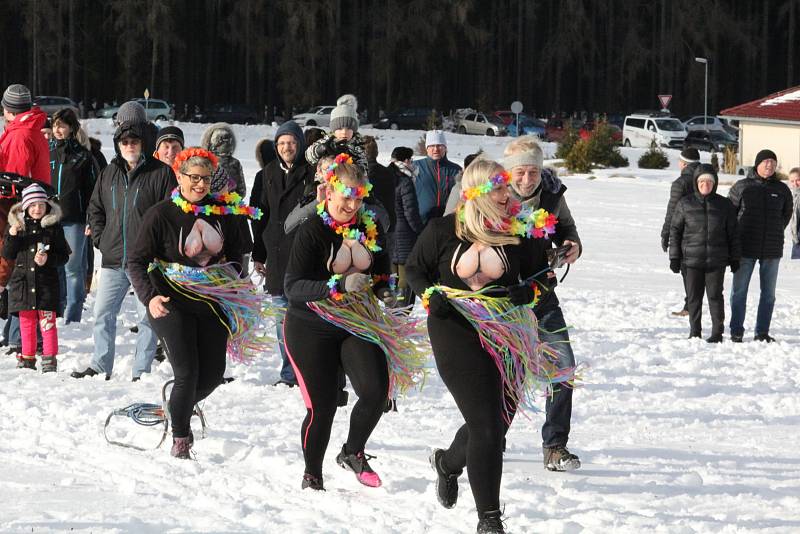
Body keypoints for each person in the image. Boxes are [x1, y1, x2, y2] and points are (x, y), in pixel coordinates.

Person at [406, 159, 566, 534]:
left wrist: (530, 290)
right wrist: (429, 296)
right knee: (487, 427)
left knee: (494, 425)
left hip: (508, 333)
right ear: (474, 192)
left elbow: (546, 278)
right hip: (454, 329)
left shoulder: (519, 232)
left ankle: (447, 463)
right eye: (497, 188)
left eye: (505, 188)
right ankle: (489, 519)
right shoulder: (443, 230)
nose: (506, 194)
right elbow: (415, 269)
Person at [127, 148, 258, 459]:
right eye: (194, 178)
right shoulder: (161, 214)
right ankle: (181, 438)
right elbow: (136, 260)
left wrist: (234, 282)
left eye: (206, 179)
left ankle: (174, 408)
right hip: (170, 301)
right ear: (179, 176)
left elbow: (239, 252)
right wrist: (150, 297)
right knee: (186, 372)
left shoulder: (223, 211)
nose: (200, 185)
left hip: (212, 302)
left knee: (212, 374)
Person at [283, 154, 394, 491]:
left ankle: (352, 451)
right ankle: (312, 474)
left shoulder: (369, 228)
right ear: (328, 192)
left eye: (358, 197)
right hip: (309, 325)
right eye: (346, 195)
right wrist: (337, 285)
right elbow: (292, 287)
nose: (352, 203)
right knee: (324, 405)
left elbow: (382, 271)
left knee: (376, 392)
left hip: (354, 322)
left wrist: (386, 291)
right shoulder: (312, 231)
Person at [71, 118, 175, 380]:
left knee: (148, 318)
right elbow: (95, 208)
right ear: (118, 145)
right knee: (102, 313)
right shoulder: (109, 172)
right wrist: (100, 239)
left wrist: (159, 249)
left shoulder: (161, 173)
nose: (130, 145)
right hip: (113, 258)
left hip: (146, 261)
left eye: (134, 141)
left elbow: (170, 214)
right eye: (125, 142)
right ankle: (100, 364)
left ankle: (141, 370)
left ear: (143, 144)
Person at [501, 136, 582, 471]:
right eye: (520, 172)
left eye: (532, 172)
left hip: (542, 296)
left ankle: (555, 446)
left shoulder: (551, 194)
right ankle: (492, 437)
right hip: (501, 303)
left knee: (563, 370)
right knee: (507, 374)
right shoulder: (493, 195)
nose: (526, 180)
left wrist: (572, 246)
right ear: (508, 173)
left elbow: (569, 230)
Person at [251, 121, 315, 387]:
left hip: (303, 254)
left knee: (304, 317)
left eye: (291, 142)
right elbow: (258, 216)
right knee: (281, 319)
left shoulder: (311, 173)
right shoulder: (264, 174)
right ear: (276, 147)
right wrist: (258, 252)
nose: (287, 147)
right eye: (282, 143)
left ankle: (308, 370)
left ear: (299, 145)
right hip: (275, 255)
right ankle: (289, 373)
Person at [0, 84, 52, 354]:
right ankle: (13, 332)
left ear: (7, 110)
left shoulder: (20, 135)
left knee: (20, 270)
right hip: (28, 207)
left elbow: (14, 180)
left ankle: (22, 337)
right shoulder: (27, 130)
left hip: (19, 210)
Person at [669, 164, 740, 342]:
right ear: (696, 183)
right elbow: (675, 231)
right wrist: (675, 257)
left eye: (709, 181)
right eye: (701, 181)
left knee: (715, 297)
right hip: (691, 261)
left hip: (716, 261)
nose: (705, 184)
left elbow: (733, 233)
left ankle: (717, 332)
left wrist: (735, 257)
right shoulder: (685, 204)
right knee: (694, 298)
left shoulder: (725, 205)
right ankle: (695, 331)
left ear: (715, 183)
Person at [2, 184, 70, 371]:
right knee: (27, 323)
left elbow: (64, 255)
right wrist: (12, 235)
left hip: (46, 285)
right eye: (32, 205)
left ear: (47, 206)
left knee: (47, 324)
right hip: (23, 285)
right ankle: (27, 357)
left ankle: (49, 359)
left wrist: (48, 259)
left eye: (41, 204)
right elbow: (7, 253)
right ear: (25, 207)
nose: (37, 209)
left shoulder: (53, 227)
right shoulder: (17, 227)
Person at [727, 149, 793, 343]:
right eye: (766, 161)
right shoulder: (742, 187)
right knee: (739, 292)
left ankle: (762, 332)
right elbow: (730, 215)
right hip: (745, 248)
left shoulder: (782, 189)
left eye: (773, 162)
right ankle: (736, 330)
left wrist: (775, 230)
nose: (769, 165)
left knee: (769, 295)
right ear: (757, 164)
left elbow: (786, 215)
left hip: (772, 250)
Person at [49, 108, 96, 323]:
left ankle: (73, 316)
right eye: (55, 125)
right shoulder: (47, 152)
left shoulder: (83, 156)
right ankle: (56, 311)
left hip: (74, 219)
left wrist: (91, 217)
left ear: (71, 128)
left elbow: (91, 190)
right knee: (53, 267)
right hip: (49, 218)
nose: (57, 129)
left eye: (62, 125)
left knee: (73, 268)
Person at [661, 148, 701, 316]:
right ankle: (691, 304)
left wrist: (666, 233)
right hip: (706, 230)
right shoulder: (707, 177)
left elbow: (673, 210)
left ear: (683, 163)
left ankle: (690, 306)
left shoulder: (681, 182)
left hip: (685, 233)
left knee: (687, 270)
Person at [389, 146, 424, 310]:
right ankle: (401, 313)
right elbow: (411, 212)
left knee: (392, 277)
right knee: (405, 279)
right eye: (411, 160)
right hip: (405, 236)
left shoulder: (385, 176)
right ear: (406, 161)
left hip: (389, 234)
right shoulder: (405, 180)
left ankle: (391, 310)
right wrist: (420, 231)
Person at [305, 94, 368, 173]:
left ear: (354, 130)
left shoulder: (358, 146)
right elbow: (308, 156)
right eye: (340, 128)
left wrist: (349, 159)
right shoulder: (327, 141)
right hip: (325, 181)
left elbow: (364, 171)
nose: (344, 132)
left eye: (349, 128)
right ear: (333, 130)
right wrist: (320, 149)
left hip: (347, 183)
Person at [414, 130, 461, 224]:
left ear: (445, 148)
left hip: (448, 222)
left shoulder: (456, 170)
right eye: (431, 146)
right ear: (427, 148)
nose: (436, 149)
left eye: (439, 145)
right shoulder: (415, 167)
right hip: (421, 222)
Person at [200, 123, 246, 197]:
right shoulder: (205, 162)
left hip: (214, 205)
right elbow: (241, 191)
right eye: (221, 143)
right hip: (222, 205)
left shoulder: (234, 163)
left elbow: (241, 191)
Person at [789, 167, 800, 259]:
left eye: (798, 180)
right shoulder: (794, 195)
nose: (795, 183)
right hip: (796, 238)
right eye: (792, 181)